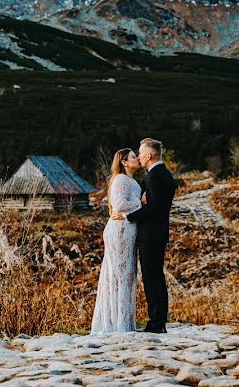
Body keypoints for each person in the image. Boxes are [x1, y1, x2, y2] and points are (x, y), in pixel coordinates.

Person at [113, 137, 177, 333]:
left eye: (140, 153)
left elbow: (155, 208)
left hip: (151, 235)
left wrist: (127, 215)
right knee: (155, 277)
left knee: (152, 279)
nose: (139, 157)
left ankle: (156, 323)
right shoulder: (159, 174)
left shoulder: (156, 176)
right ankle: (158, 321)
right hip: (155, 234)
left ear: (149, 155)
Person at [90, 148, 143, 334]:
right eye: (133, 157)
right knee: (119, 274)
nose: (137, 159)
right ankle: (116, 324)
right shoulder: (120, 179)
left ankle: (124, 322)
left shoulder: (133, 182)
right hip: (119, 230)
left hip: (129, 229)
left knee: (127, 274)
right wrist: (141, 203)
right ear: (124, 162)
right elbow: (119, 206)